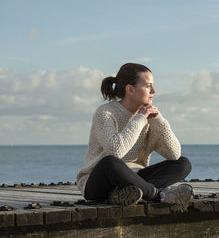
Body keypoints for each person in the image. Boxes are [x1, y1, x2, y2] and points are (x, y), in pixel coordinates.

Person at [76, 63, 193, 208]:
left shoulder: (150, 118)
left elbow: (174, 154)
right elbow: (115, 151)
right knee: (110, 162)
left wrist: (158, 119)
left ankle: (123, 194)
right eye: (148, 86)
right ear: (130, 89)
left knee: (183, 164)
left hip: (135, 178)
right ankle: (158, 195)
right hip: (98, 183)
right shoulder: (105, 113)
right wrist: (141, 118)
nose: (154, 91)